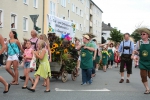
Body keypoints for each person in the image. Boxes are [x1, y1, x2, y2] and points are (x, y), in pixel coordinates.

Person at [134, 27, 150, 94]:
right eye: (141, 34)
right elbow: (135, 51)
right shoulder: (139, 42)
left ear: (147, 35)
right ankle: (147, 89)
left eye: (144, 34)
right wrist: (135, 55)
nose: (142, 35)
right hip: (142, 62)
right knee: (143, 76)